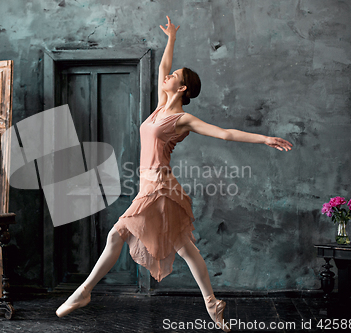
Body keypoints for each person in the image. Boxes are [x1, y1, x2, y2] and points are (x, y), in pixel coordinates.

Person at [55, 16, 293, 332]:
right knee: (185, 248)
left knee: (117, 234)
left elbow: (223, 134)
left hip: (159, 187)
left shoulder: (182, 119)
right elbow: (161, 67)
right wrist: (171, 39)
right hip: (150, 186)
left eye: (174, 76)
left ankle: (83, 292)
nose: (166, 75)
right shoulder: (159, 108)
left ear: (181, 88)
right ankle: (212, 303)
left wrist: (264, 138)